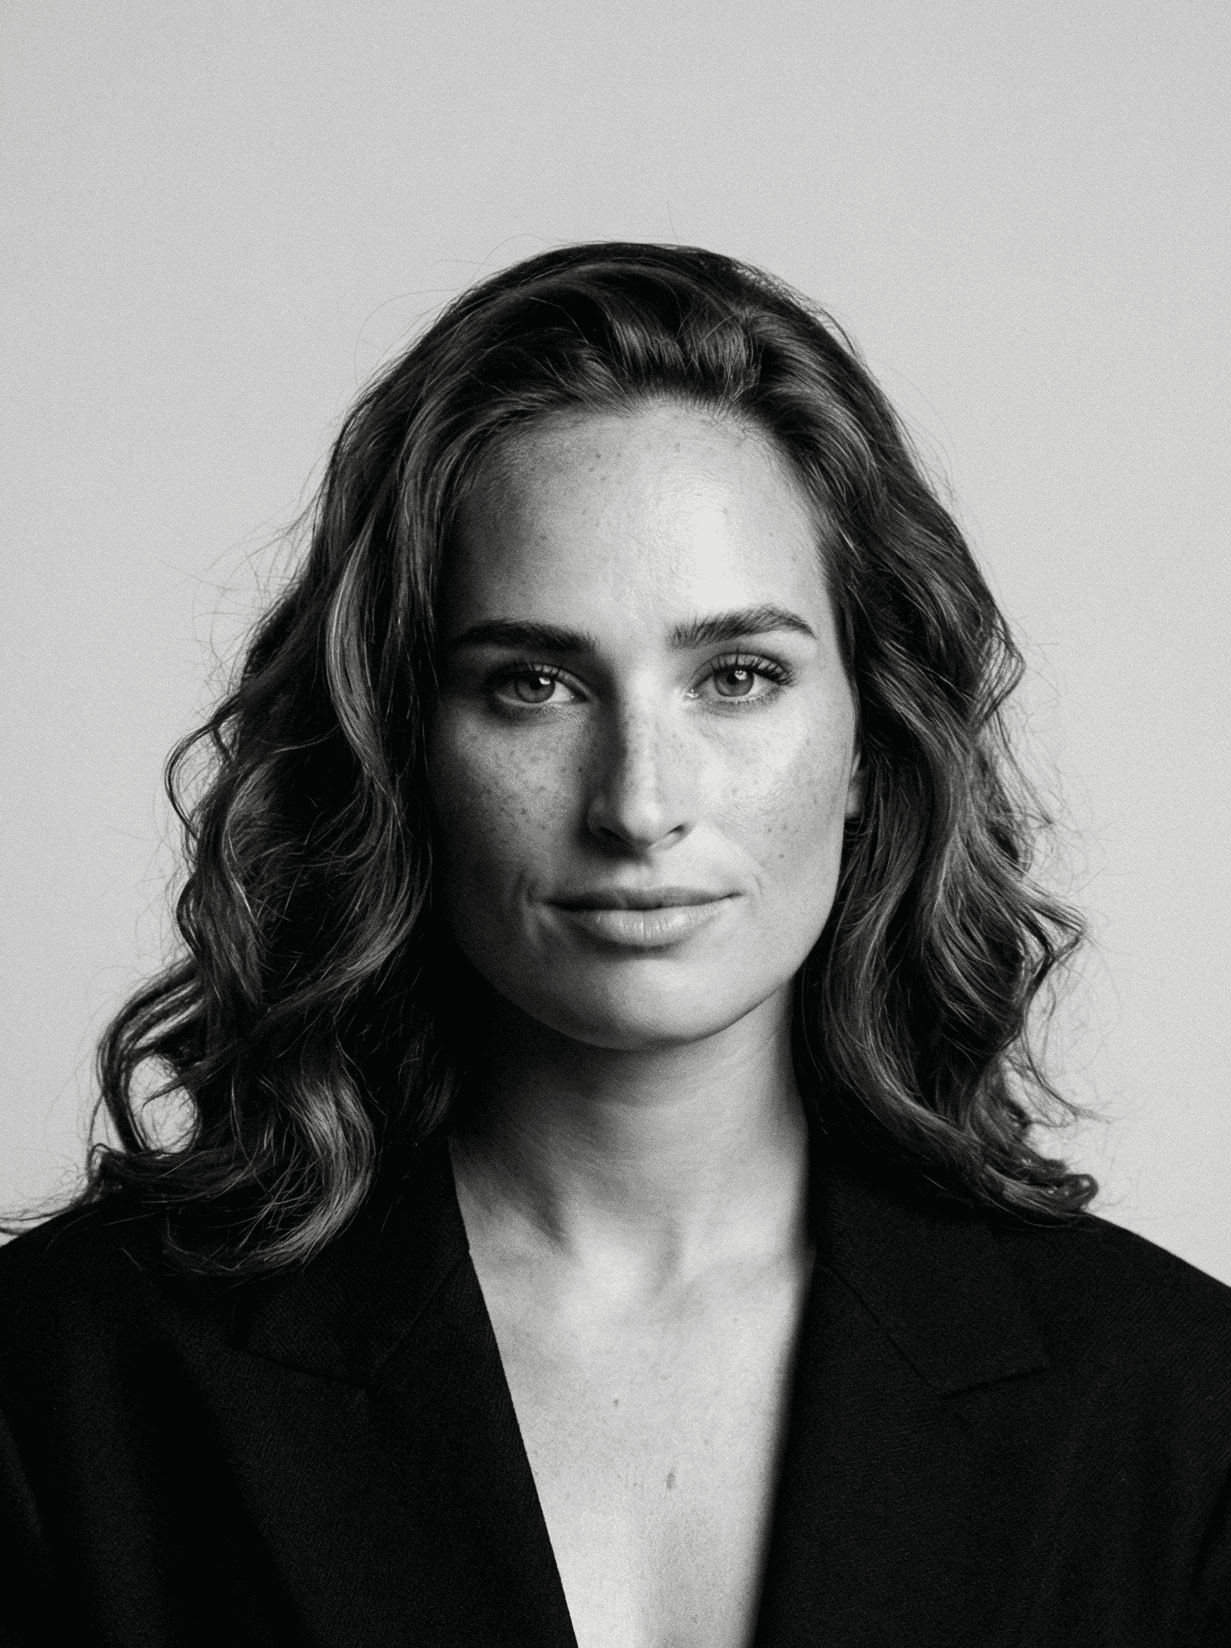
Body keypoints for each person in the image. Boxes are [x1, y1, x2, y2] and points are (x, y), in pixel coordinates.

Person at [1, 242, 1228, 1648]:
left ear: (864, 743)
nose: (638, 801)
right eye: (530, 684)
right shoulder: (65, 1384)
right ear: (403, 741)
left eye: (737, 677)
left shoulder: (1168, 1408)